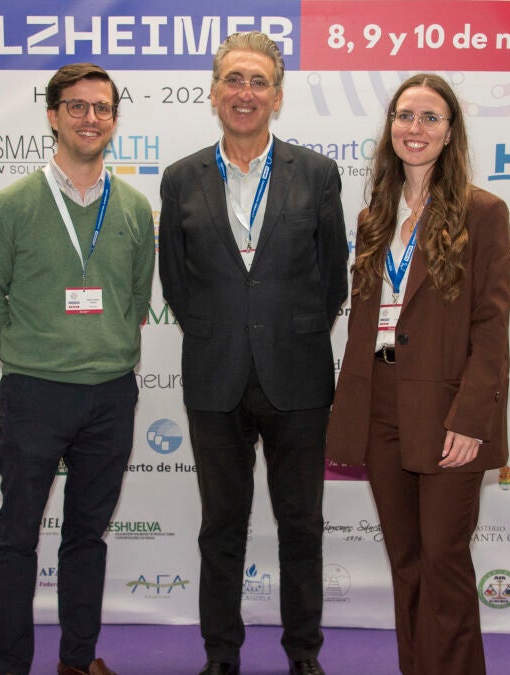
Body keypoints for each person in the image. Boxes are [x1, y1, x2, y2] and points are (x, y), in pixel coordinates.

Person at [158, 31, 348, 675]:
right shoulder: (180, 178)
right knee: (220, 528)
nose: (245, 93)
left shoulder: (316, 174)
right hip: (215, 378)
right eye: (233, 80)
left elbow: (332, 279)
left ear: (277, 95)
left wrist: (285, 332)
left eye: (258, 81)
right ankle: (221, 655)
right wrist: (224, 332)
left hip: (297, 377)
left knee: (302, 526)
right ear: (214, 92)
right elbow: (177, 281)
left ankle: (303, 653)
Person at [0, 63, 154, 675]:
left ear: (114, 120)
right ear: (52, 116)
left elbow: (136, 296)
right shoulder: (13, 204)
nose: (90, 118)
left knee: (86, 538)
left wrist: (105, 348)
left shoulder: (134, 207)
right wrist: (30, 355)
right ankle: (12, 666)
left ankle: (76, 662)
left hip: (110, 395)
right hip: (35, 394)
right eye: (76, 106)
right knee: (17, 537)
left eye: (102, 108)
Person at [324, 74, 510, 675]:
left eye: (431, 118)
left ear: (450, 132)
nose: (415, 128)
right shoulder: (374, 216)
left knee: (443, 561)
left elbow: (491, 326)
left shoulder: (483, 213)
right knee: (406, 563)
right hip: (381, 403)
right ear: (390, 128)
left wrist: (472, 419)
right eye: (405, 116)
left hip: (447, 410)